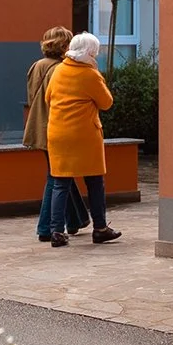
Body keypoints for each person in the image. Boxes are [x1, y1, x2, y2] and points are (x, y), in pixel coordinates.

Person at [45, 31, 122, 249]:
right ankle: (100, 228)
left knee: (60, 183)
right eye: (95, 53)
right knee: (95, 182)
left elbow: (48, 97)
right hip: (85, 135)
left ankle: (56, 232)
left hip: (58, 133)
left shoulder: (59, 71)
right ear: (89, 53)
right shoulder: (90, 75)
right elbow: (106, 102)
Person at [23, 26, 90, 242]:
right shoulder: (61, 69)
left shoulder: (37, 66)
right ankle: (46, 228)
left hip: (38, 126)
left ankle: (76, 220)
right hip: (55, 127)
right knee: (56, 177)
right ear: (64, 45)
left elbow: (31, 97)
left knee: (62, 175)